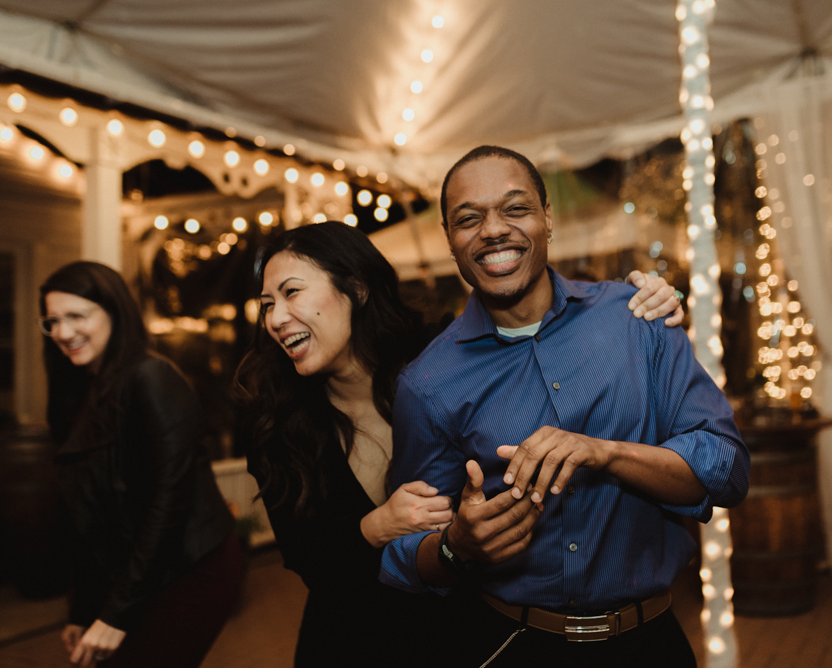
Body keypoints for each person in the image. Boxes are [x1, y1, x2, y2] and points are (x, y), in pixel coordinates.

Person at [235, 221, 683, 666]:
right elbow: (306, 560)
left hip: (466, 637)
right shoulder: (272, 422)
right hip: (355, 640)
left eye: (291, 293)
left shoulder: (445, 360)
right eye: (266, 304)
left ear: (356, 288)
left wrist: (636, 301)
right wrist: (379, 525)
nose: (275, 319)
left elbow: (541, 331)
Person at [380, 146, 751, 667]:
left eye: (515, 208)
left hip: (650, 644)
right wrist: (457, 545)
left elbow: (727, 468)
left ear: (546, 219)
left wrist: (605, 452)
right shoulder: (427, 384)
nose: (493, 230)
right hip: (515, 644)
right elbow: (401, 556)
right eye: (469, 218)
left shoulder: (636, 319)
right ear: (449, 238)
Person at [40, 261, 243, 668]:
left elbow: (169, 503)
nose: (63, 332)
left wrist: (115, 615)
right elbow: (91, 517)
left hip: (192, 566)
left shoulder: (151, 378)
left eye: (77, 316)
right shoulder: (80, 391)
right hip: (139, 567)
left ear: (114, 311)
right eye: (52, 321)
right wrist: (84, 610)